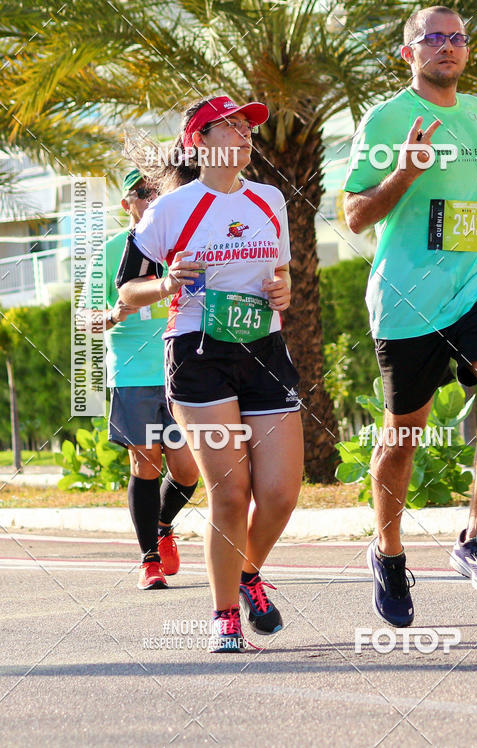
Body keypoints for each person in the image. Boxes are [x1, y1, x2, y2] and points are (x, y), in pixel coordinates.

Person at [343, 6, 477, 627]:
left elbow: (464, 199)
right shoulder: (386, 117)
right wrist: (404, 172)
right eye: (433, 38)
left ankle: (475, 537)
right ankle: (390, 552)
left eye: (457, 38)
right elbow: (354, 215)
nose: (447, 47)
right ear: (409, 53)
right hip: (407, 297)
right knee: (404, 434)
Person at [116, 96, 304, 652]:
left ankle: (248, 573)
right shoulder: (171, 210)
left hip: (265, 348)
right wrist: (168, 284)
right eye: (230, 126)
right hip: (199, 353)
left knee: (279, 495)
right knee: (231, 490)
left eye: (248, 127)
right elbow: (127, 291)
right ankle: (225, 614)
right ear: (198, 141)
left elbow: (282, 273)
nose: (245, 135)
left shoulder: (270, 200)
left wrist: (284, 291)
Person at [99, 170, 199, 590]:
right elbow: (83, 320)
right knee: (145, 462)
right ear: (128, 205)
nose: (151, 198)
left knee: (189, 471)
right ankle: (149, 559)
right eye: (142, 193)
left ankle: (162, 524)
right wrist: (109, 315)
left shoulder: (185, 244)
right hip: (134, 372)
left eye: (158, 190)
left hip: (183, 368)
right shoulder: (108, 253)